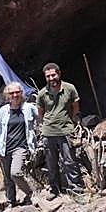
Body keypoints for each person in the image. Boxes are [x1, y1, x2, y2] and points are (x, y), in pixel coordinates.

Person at [36, 63, 83, 196]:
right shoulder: (42, 93)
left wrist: (72, 121)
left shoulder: (69, 88)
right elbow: (40, 113)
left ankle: (75, 188)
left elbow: (75, 106)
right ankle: (54, 189)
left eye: (53, 75)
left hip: (65, 131)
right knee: (51, 163)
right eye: (48, 76)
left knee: (70, 161)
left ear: (59, 73)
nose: (51, 78)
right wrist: (44, 126)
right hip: (48, 132)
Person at [0, 82, 40, 207]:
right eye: (12, 93)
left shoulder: (29, 108)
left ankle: (31, 192)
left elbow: (42, 117)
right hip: (5, 147)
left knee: (15, 173)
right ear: (7, 95)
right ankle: (11, 202)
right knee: (8, 178)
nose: (15, 95)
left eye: (17, 92)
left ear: (21, 93)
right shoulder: (4, 110)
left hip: (21, 147)